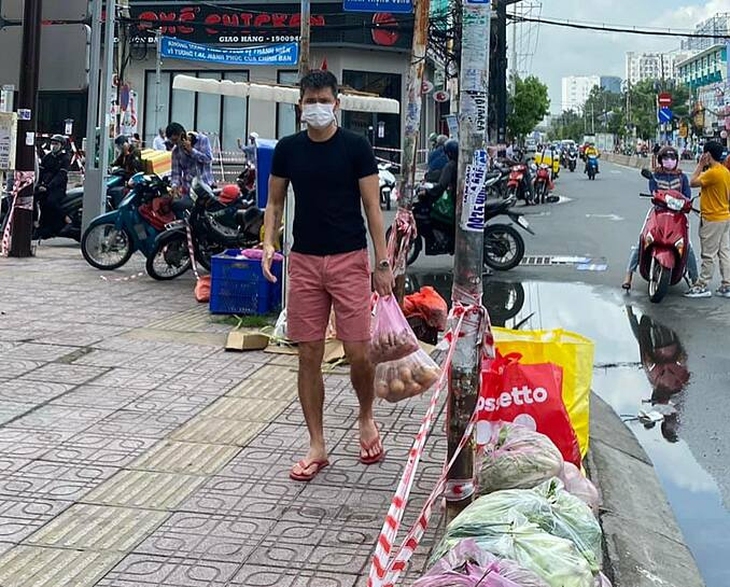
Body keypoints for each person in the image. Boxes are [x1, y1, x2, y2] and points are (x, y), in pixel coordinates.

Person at [261, 70, 394, 482]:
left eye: (323, 100)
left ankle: (366, 417)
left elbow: (373, 209)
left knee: (359, 352)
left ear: (337, 104)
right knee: (308, 353)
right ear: (299, 105)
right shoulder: (288, 149)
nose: (317, 107)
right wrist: (268, 243)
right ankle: (317, 444)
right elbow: (274, 202)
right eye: (310, 100)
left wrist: (382, 263)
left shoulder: (356, 147)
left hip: (349, 259)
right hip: (304, 262)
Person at [622, 146, 699, 290]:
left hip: (677, 216)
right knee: (642, 240)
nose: (669, 161)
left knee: (687, 246)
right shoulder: (655, 176)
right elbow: (653, 191)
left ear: (677, 160)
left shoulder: (682, 177)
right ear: (660, 160)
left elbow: (687, 196)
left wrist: (687, 204)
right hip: (658, 212)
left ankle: (695, 280)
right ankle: (628, 275)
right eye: (666, 158)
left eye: (672, 158)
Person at [684, 140, 730, 298]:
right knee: (724, 252)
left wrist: (700, 165)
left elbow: (692, 182)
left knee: (708, 254)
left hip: (712, 218)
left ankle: (702, 285)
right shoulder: (725, 172)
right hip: (724, 216)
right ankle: (727, 285)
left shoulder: (712, 173)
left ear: (708, 155)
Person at [35, 134, 71, 237]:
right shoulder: (47, 157)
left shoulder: (65, 158)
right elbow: (41, 173)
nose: (53, 146)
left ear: (62, 146)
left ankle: (66, 218)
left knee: (51, 202)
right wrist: (39, 184)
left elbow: (60, 176)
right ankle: (37, 225)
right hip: (44, 186)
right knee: (33, 199)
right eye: (52, 143)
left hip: (57, 188)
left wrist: (48, 187)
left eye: (56, 144)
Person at [165, 122, 214, 198]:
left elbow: (208, 159)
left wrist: (191, 151)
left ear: (182, 135)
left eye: (176, 140)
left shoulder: (202, 140)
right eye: (172, 141)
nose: (175, 143)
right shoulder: (176, 151)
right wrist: (174, 185)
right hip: (188, 190)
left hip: (205, 186)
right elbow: (176, 173)